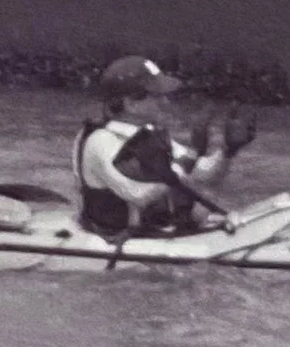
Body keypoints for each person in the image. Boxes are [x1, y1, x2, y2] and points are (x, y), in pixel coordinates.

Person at [72, 56, 257, 240]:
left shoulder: (149, 134)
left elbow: (205, 174)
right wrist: (188, 158)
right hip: (117, 239)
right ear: (130, 104)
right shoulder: (99, 142)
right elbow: (139, 194)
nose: (165, 102)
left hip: (156, 233)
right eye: (157, 96)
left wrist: (228, 150)